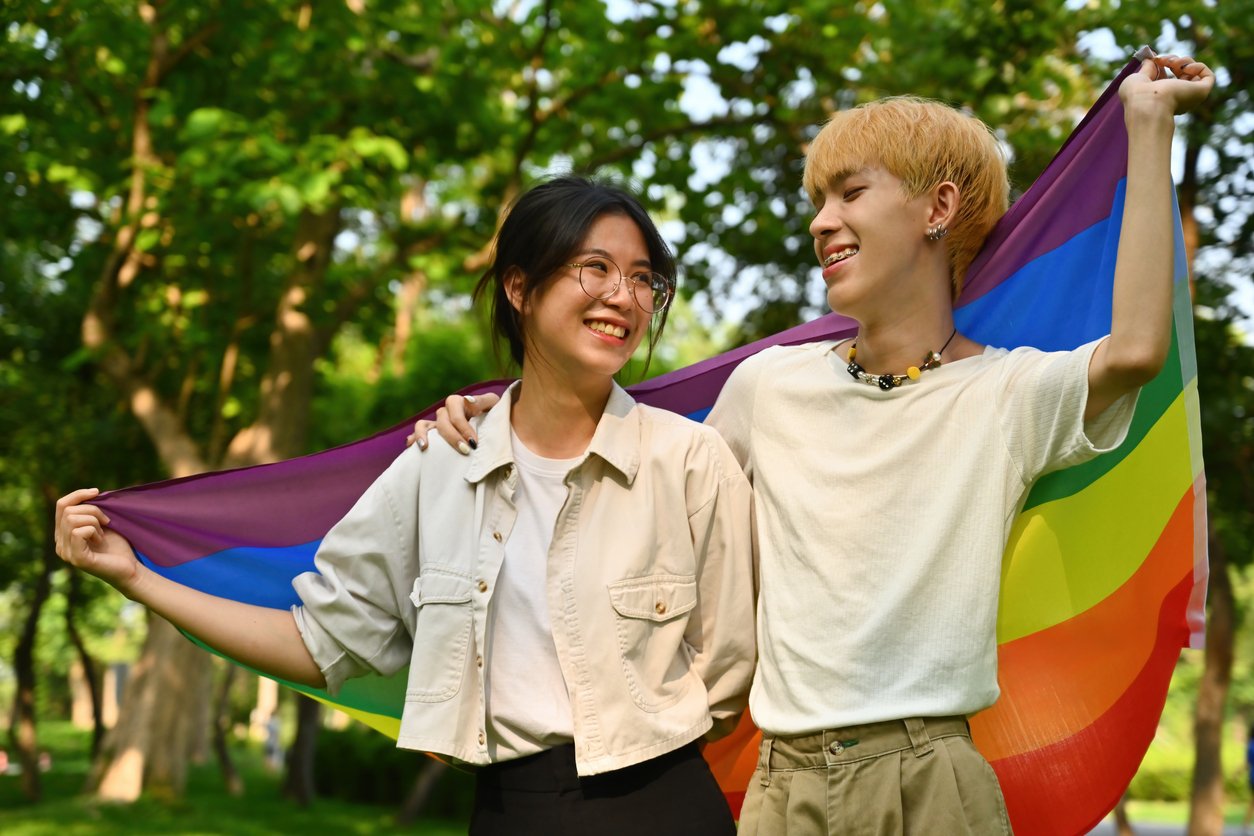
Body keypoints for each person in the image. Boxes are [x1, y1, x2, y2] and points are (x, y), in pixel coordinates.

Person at [414, 53, 1214, 833]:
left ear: (937, 209)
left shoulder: (1004, 395)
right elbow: (633, 471)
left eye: (850, 193)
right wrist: (506, 421)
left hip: (928, 782)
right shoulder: (770, 388)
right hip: (783, 789)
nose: (821, 220)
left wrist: (1147, 128)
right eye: (818, 199)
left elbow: (1137, 349)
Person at [54, 175, 756, 836]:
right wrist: (135, 577)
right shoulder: (440, 468)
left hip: (664, 804)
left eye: (643, 279)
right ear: (520, 287)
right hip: (511, 810)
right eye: (594, 267)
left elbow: (727, 669)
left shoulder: (690, 461)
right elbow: (320, 641)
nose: (624, 297)